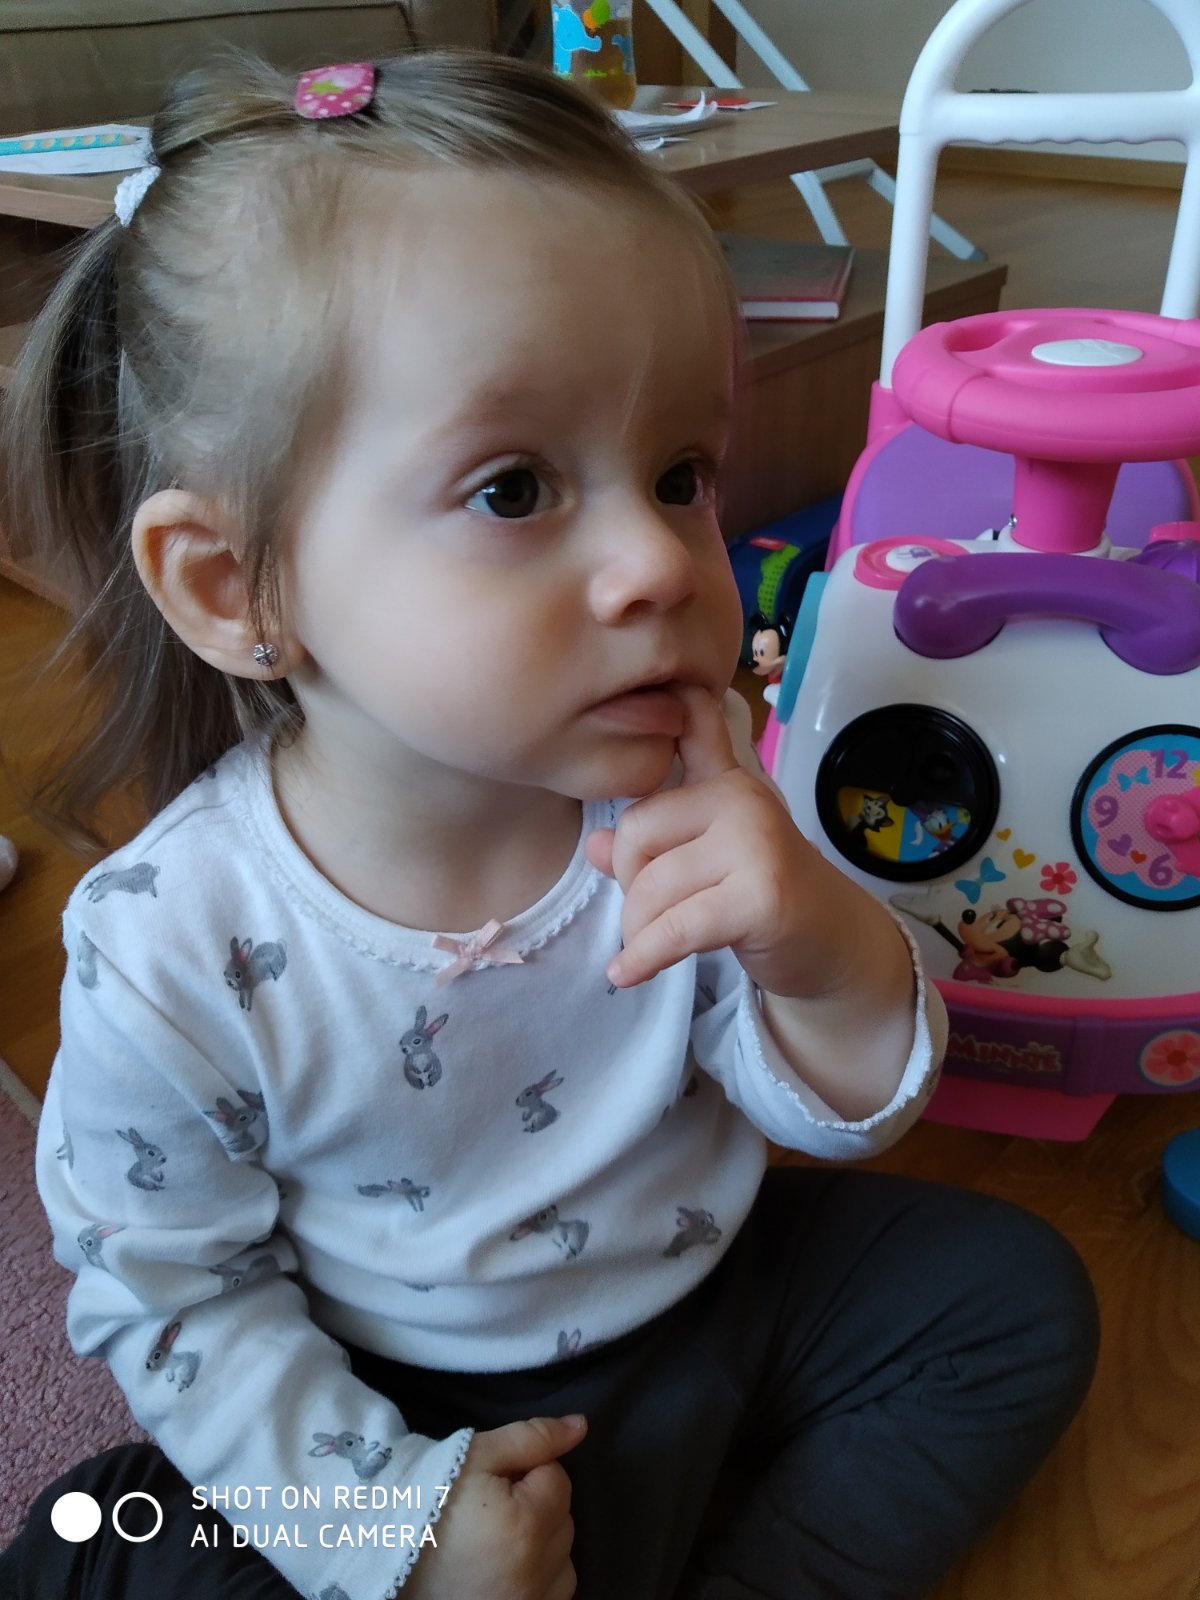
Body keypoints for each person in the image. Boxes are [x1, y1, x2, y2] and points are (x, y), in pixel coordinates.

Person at [0, 49, 1098, 1600]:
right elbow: (169, 1289)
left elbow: (830, 1106)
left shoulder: (685, 793)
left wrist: (822, 948)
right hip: (388, 1401)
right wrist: (388, 1530)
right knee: (88, 1541)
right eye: (514, 490)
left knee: (1007, 1299)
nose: (659, 562)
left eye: (679, 473)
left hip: (707, 1295)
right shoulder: (170, 940)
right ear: (238, 587)